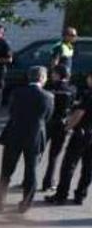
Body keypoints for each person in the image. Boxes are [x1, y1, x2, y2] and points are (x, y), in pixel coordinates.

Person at [0, 66, 54, 212]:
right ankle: (25, 204)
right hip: (34, 136)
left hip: (14, 133)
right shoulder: (48, 96)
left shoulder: (17, 92)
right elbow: (47, 117)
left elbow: (11, 110)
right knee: (31, 170)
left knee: (6, 170)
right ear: (42, 78)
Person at [46, 72, 92, 205]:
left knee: (68, 165)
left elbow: (79, 113)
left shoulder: (88, 95)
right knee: (88, 168)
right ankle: (80, 196)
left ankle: (61, 195)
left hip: (82, 134)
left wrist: (67, 127)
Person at [41, 64, 76, 192]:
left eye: (54, 73)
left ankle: (27, 181)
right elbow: (72, 107)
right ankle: (48, 182)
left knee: (37, 153)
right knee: (54, 156)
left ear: (58, 74)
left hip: (47, 123)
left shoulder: (48, 87)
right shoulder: (72, 89)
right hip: (61, 124)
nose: (51, 75)